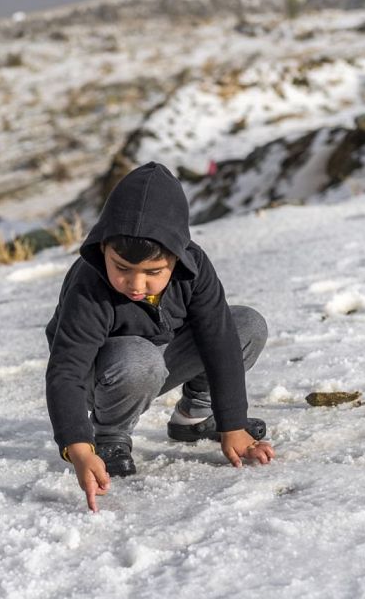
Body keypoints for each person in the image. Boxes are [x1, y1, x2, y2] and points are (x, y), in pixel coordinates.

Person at [45, 161, 274, 512]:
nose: (136, 285)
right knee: (139, 356)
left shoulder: (194, 269)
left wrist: (234, 424)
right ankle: (110, 436)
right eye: (121, 268)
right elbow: (67, 370)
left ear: (177, 257)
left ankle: (196, 417)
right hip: (103, 376)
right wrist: (79, 447)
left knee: (245, 323)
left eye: (153, 272)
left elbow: (219, 339)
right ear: (103, 248)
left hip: (160, 360)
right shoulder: (88, 285)